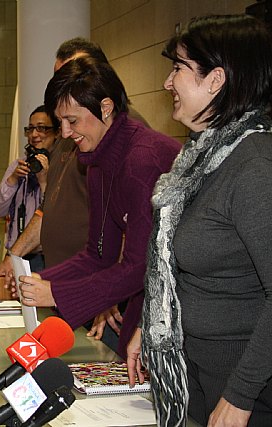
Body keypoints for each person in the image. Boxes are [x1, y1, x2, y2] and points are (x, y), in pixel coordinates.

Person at [127, 15, 272, 427]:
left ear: (216, 80)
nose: (167, 82)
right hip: (197, 374)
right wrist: (151, 325)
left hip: (244, 388)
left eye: (178, 68)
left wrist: (240, 395)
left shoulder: (254, 166)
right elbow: (179, 269)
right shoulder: (202, 157)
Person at [16, 56, 180, 360]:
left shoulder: (143, 160)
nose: (66, 133)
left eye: (73, 121)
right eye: (60, 122)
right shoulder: (96, 162)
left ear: (105, 108)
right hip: (148, 303)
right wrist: (46, 279)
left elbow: (140, 266)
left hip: (177, 310)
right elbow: (98, 255)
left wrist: (56, 293)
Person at [0, 37, 149, 345]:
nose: (61, 85)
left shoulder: (125, 137)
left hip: (102, 295)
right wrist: (15, 255)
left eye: (72, 75)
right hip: (70, 284)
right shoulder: (71, 134)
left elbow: (131, 230)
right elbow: (50, 207)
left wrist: (105, 293)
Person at [0, 105, 58, 272]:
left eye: (41, 128)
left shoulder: (61, 167)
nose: (34, 135)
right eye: (30, 129)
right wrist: (13, 180)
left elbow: (56, 215)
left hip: (47, 257)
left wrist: (44, 181)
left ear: (57, 132)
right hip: (16, 256)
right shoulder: (18, 165)